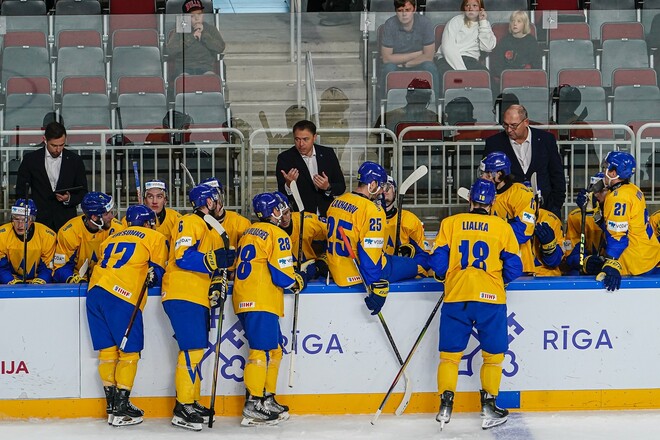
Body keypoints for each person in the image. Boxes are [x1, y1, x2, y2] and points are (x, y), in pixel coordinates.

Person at [429, 178, 522, 430]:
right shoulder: (502, 227)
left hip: (457, 296)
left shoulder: (451, 223)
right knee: (493, 357)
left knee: (449, 357)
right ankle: (489, 405)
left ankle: (446, 405)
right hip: (490, 300)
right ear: (492, 202)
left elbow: (437, 264)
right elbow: (515, 267)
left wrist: (444, 275)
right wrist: (497, 279)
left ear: (470, 199)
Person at [161, 183, 236, 431]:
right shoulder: (190, 221)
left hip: (196, 295)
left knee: (195, 351)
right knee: (192, 351)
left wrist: (217, 280)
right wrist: (213, 260)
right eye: (217, 199)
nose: (220, 203)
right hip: (183, 292)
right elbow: (183, 255)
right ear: (210, 201)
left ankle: (191, 401)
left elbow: (211, 264)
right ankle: (183, 406)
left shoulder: (212, 229)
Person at [233, 192, 311, 426]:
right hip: (260, 299)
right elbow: (282, 276)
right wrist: (298, 279)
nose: (284, 213)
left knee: (274, 350)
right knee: (260, 352)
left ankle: (266, 398)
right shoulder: (277, 234)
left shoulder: (249, 231)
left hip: (248, 297)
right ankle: (253, 405)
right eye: (281, 209)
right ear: (273, 212)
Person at [85, 205, 168, 427]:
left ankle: (111, 405)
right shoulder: (155, 237)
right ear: (149, 222)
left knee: (108, 351)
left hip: (95, 293)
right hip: (121, 296)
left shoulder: (110, 239)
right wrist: (153, 272)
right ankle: (122, 407)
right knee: (129, 352)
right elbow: (158, 272)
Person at [325, 161, 419, 313]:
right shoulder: (372, 210)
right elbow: (370, 253)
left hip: (337, 271)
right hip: (359, 272)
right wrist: (375, 285)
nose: (382, 191)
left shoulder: (336, 202)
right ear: (372, 183)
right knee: (415, 265)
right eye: (381, 186)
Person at [584, 152, 660, 291]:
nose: (603, 171)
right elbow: (622, 226)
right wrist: (596, 214)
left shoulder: (617, 198)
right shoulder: (633, 189)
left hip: (636, 262)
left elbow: (618, 236)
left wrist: (612, 262)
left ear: (613, 173)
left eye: (606, 168)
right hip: (649, 255)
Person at [484, 105, 566, 218]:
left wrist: (556, 206)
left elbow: (557, 175)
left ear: (526, 122)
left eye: (513, 125)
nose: (508, 130)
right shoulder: (494, 143)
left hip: (546, 209)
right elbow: (488, 177)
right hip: (509, 213)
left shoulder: (546, 140)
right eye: (505, 125)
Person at [15, 121, 88, 233]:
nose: (58, 149)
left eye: (61, 145)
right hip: (39, 221)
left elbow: (83, 191)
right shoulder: (30, 160)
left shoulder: (75, 161)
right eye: (54, 145)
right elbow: (21, 191)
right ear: (44, 139)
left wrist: (68, 199)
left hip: (66, 222)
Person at [479, 152, 536, 275]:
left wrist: (493, 229)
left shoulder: (521, 193)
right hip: (491, 263)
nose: (482, 177)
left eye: (487, 174)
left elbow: (524, 230)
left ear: (499, 175)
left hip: (519, 265)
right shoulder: (485, 194)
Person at [275, 119, 346, 217]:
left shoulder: (328, 154)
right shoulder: (285, 158)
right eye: (297, 139)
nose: (301, 144)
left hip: (327, 214)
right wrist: (288, 185)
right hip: (301, 216)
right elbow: (281, 193)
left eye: (305, 139)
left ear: (314, 137)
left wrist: (328, 187)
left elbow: (341, 186)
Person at [53, 192, 124, 283]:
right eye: (107, 214)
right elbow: (60, 267)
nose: (112, 217)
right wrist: (75, 280)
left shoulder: (118, 228)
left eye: (111, 211)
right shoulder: (69, 232)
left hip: (107, 280)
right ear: (94, 217)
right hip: (78, 281)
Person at [434, 0, 496, 93]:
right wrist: (463, 72)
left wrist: (483, 22)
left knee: (487, 77)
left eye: (474, 5)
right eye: (467, 5)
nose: (470, 8)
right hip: (447, 60)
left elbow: (487, 47)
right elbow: (448, 47)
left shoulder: (484, 24)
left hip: (470, 61)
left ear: (480, 9)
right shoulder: (456, 20)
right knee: (452, 80)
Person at [380, 0, 439, 96]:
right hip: (396, 66)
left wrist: (405, 64)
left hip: (416, 64)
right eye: (400, 10)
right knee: (388, 68)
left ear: (414, 9)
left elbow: (428, 56)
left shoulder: (425, 23)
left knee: (430, 67)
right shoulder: (390, 24)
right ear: (395, 11)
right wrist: (419, 53)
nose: (404, 14)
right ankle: (385, 108)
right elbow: (387, 59)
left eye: (407, 10)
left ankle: (435, 106)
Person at [200, 177, 251, 275]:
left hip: (231, 275)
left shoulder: (240, 222)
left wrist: (236, 272)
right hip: (205, 274)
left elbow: (247, 255)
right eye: (210, 199)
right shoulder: (197, 223)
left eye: (217, 196)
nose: (215, 202)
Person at [0, 199, 56, 284]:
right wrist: (11, 281)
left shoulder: (47, 235)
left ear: (32, 220)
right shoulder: (2, 234)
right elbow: (1, 267)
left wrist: (40, 281)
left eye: (25, 220)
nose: (20, 224)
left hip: (37, 281)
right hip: (10, 281)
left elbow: (48, 267)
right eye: (16, 219)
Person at [166, 0, 225, 76]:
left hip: (205, 67)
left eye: (199, 14)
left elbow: (220, 48)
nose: (197, 18)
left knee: (210, 79)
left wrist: (204, 35)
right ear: (186, 17)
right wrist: (191, 38)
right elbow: (170, 50)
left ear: (203, 15)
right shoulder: (179, 30)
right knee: (185, 80)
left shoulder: (211, 29)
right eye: (192, 16)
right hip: (184, 67)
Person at [564, 172, 607, 274]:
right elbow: (569, 252)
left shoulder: (618, 213)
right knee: (574, 273)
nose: (597, 194)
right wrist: (584, 262)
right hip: (587, 264)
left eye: (602, 190)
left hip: (613, 262)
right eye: (593, 189)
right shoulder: (575, 216)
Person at [489, 10, 542, 87]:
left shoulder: (531, 41)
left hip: (526, 78)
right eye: (512, 21)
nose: (515, 24)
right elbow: (497, 65)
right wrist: (507, 76)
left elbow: (537, 64)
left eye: (519, 21)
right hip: (508, 77)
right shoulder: (504, 41)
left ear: (525, 24)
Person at [121, 179, 181, 246]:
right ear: (144, 200)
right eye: (150, 196)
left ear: (165, 200)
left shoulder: (176, 219)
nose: (154, 201)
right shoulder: (129, 219)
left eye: (159, 197)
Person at [374, 77, 439, 134]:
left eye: (423, 98)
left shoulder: (436, 119)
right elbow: (373, 141)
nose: (419, 101)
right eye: (416, 97)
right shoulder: (386, 118)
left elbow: (446, 142)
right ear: (408, 97)